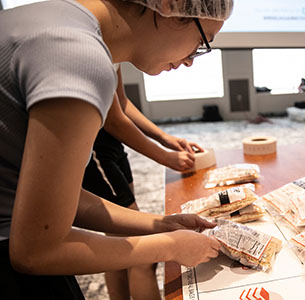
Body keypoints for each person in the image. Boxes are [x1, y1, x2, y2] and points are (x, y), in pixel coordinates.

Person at [0, 0, 233, 298]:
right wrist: (171, 245)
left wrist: (162, 224)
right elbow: (35, 250)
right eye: (202, 42)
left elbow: (58, 198)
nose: (190, 60)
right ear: (169, 7)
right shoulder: (80, 56)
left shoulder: (56, 18)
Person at [82, 64, 201, 300]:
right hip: (95, 152)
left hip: (114, 146)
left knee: (116, 242)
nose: (187, 62)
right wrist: (164, 156)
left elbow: (121, 103)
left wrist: (164, 137)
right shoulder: (94, 47)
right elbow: (113, 120)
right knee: (142, 256)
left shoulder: (110, 53)